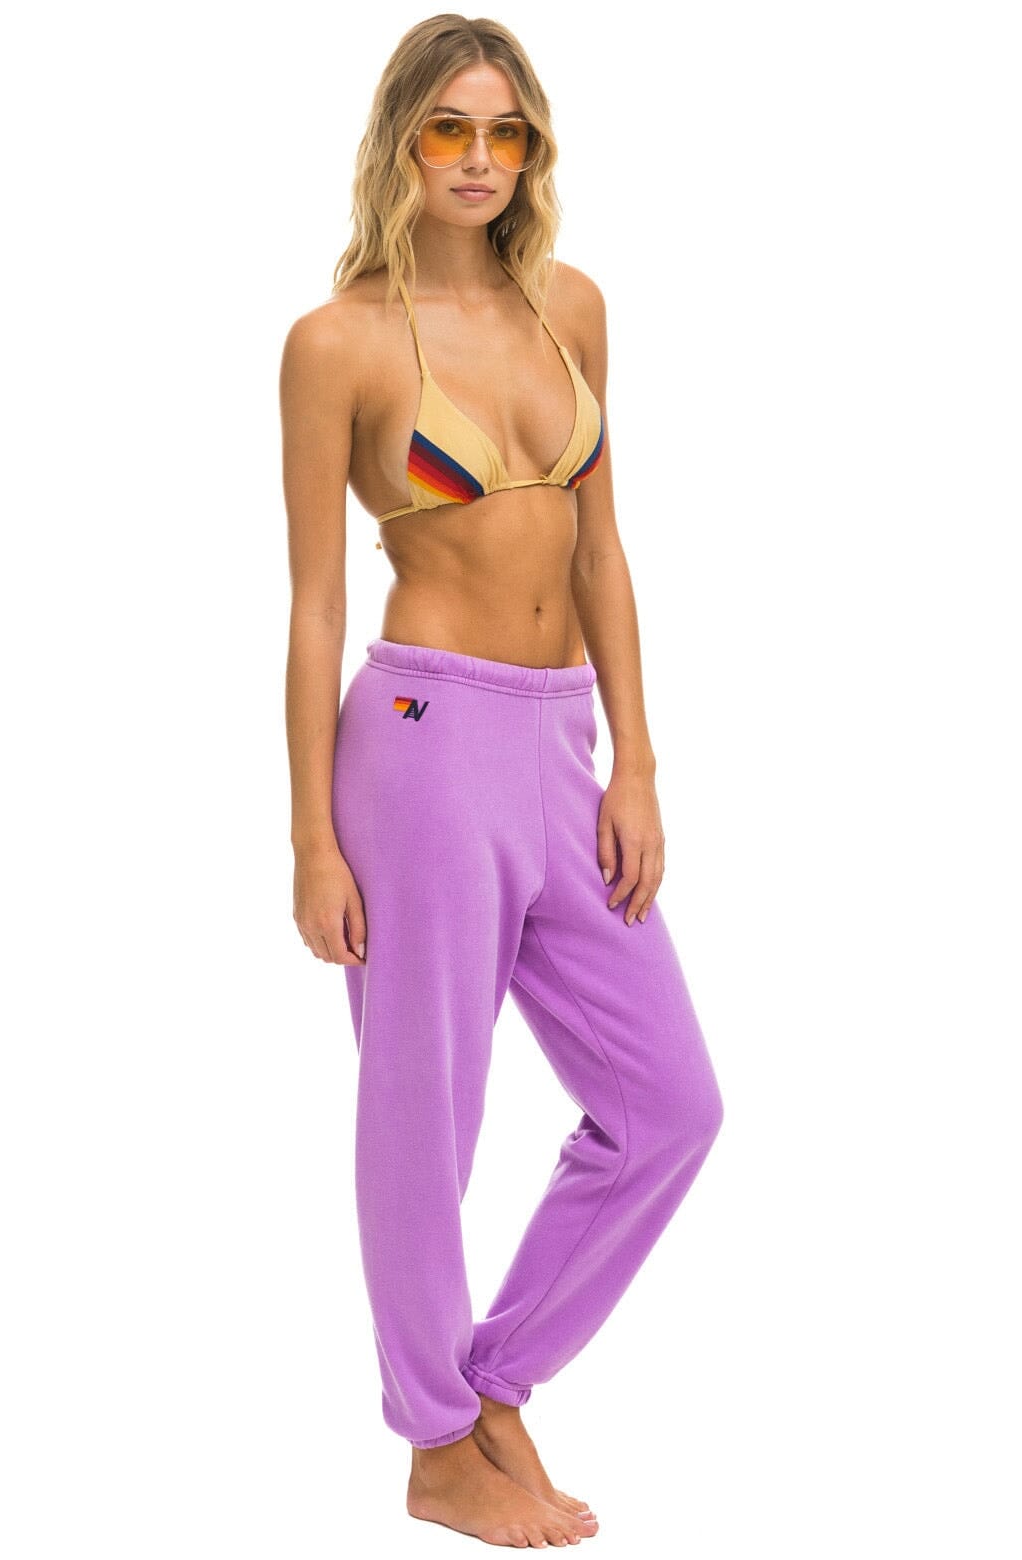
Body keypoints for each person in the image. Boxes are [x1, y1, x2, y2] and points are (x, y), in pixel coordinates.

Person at [280, 13, 724, 1549]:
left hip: (561, 743)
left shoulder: (570, 308)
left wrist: (637, 760)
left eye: (505, 132)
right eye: (449, 129)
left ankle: (492, 1382)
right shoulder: (339, 342)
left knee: (669, 1106)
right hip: (419, 744)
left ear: (532, 150)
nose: (479, 159)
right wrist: (309, 840)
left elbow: (603, 549)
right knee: (427, 1118)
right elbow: (316, 605)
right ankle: (433, 1445)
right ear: (400, 140)